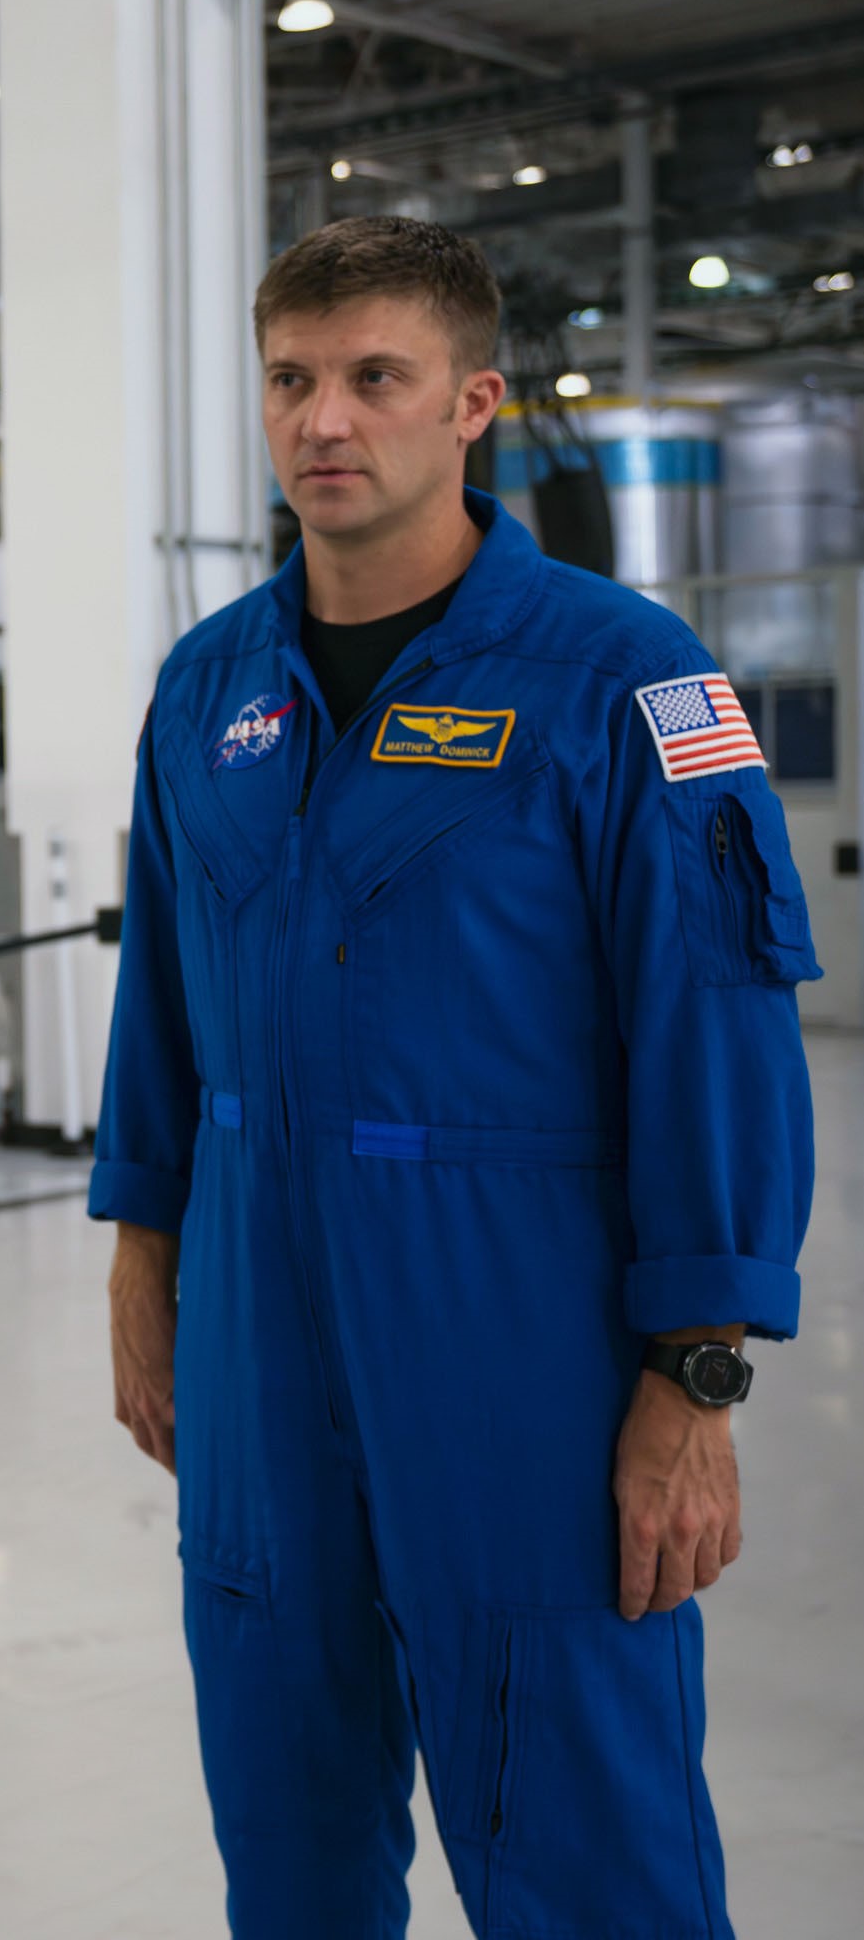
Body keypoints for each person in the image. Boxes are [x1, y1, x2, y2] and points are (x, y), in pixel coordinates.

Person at [93, 216, 810, 1937]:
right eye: (289, 380)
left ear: (471, 401)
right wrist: (141, 1255)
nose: (322, 419)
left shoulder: (624, 678)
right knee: (287, 1842)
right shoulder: (206, 689)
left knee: (584, 1841)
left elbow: (714, 1024)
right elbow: (159, 1007)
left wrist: (693, 1376)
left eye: (372, 378)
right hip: (259, 1348)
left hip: (521, 1354)